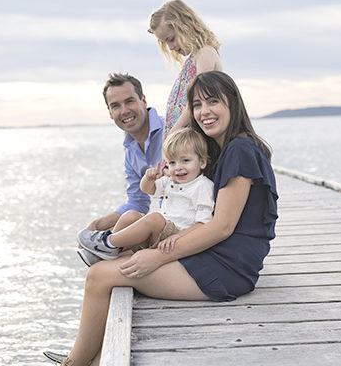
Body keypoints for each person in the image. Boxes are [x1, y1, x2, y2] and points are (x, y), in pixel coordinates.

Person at [44, 71, 278, 366]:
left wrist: (157, 257)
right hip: (215, 255)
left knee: (99, 275)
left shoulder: (240, 150)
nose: (204, 112)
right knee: (119, 255)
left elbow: (222, 227)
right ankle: (94, 356)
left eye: (213, 102)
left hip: (227, 268)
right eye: (196, 105)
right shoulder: (226, 148)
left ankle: (74, 364)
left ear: (232, 102)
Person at [77, 128, 215, 264]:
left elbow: (203, 224)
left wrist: (178, 237)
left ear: (202, 162)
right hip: (159, 232)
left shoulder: (203, 186)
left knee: (155, 218)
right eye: (172, 162)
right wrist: (148, 179)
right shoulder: (170, 181)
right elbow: (147, 189)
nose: (178, 167)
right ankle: (107, 251)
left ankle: (107, 242)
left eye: (185, 160)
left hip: (179, 237)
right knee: (131, 215)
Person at [77, 73, 164, 266]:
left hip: (184, 224)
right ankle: (102, 250)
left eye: (129, 101)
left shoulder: (171, 131)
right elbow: (137, 202)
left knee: (105, 265)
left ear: (143, 100)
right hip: (163, 223)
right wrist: (97, 225)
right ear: (110, 113)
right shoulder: (130, 151)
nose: (124, 111)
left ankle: (101, 252)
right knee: (129, 219)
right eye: (115, 106)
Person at [148, 0, 222, 138]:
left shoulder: (205, 53)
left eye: (171, 39)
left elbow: (199, 99)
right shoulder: (193, 58)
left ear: (186, 27)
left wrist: (173, 133)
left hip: (192, 139)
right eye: (165, 43)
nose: (170, 47)